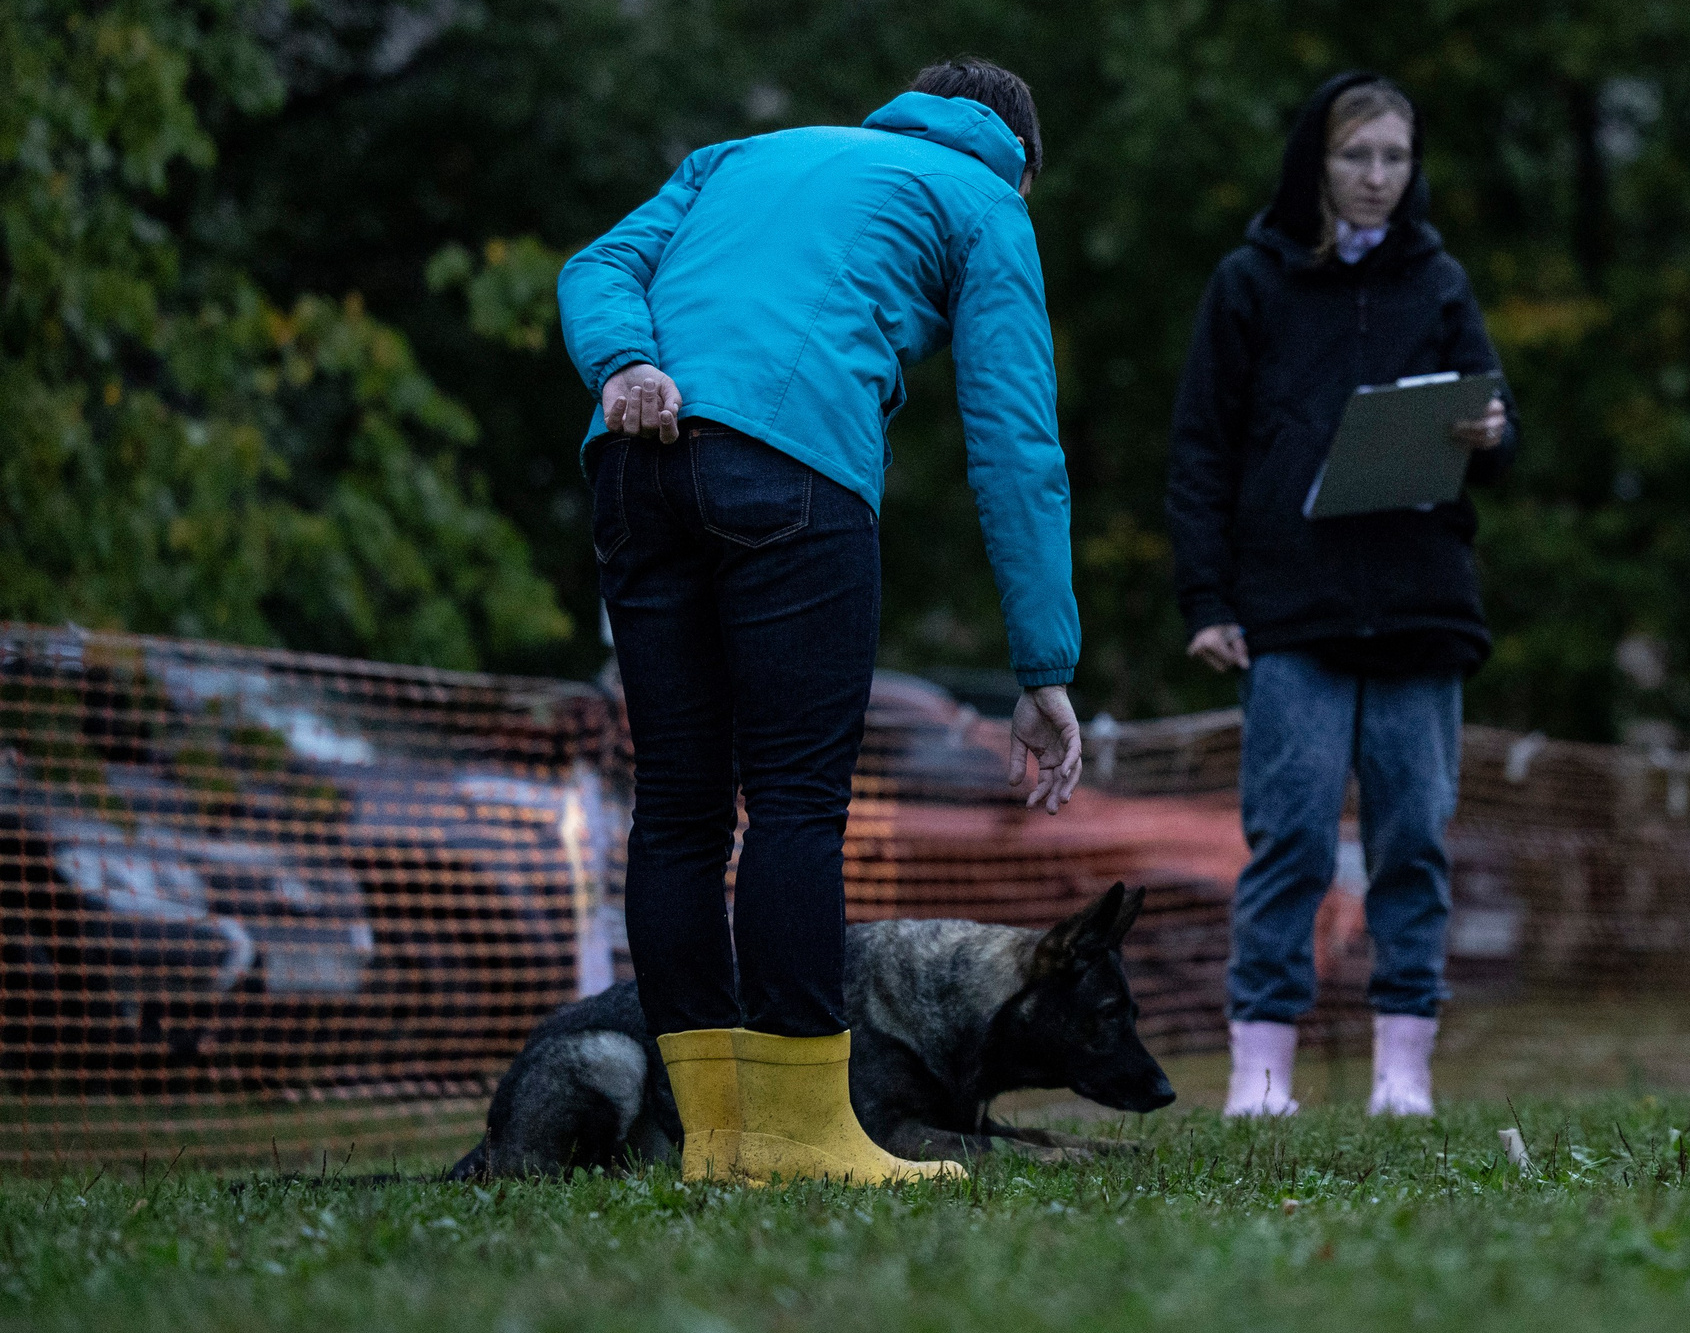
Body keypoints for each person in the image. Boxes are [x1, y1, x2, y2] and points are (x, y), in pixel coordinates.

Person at [556, 58, 1084, 1183]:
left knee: (681, 808)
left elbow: (597, 263)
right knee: (795, 799)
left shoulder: (742, 155)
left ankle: (715, 1136)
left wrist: (626, 359)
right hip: (791, 471)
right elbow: (1015, 443)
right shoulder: (986, 200)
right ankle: (799, 1135)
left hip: (634, 463)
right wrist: (1045, 665)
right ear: (1025, 167)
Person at [1167, 72, 1516, 1118]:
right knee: (1292, 841)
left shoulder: (1439, 282)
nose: (1375, 178)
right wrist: (1207, 599)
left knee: (1414, 840)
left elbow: (1497, 435)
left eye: (1394, 159)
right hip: (1293, 612)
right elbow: (1200, 453)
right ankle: (1260, 1077)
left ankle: (1402, 1073)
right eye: (1355, 156)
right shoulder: (1249, 282)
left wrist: (1489, 434)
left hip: (1419, 606)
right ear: (1314, 161)